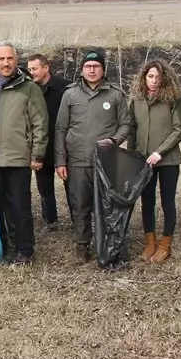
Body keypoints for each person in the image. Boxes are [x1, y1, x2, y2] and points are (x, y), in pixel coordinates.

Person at [53, 49, 133, 259]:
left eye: (96, 66)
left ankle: (109, 244)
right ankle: (82, 245)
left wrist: (115, 141)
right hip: (77, 161)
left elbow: (125, 124)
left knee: (108, 205)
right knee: (80, 205)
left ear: (103, 69)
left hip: (106, 161)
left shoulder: (115, 94)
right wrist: (60, 161)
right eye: (88, 67)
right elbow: (60, 129)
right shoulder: (70, 94)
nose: (92, 70)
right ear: (81, 70)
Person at [0, 43, 47, 264]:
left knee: (20, 207)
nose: (6, 63)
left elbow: (40, 123)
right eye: (1, 59)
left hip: (18, 158)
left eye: (10, 59)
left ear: (16, 61)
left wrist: (37, 154)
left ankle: (25, 249)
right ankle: (2, 247)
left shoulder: (28, 88)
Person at [129, 59, 181, 262]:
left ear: (165, 79)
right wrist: (133, 156)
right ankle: (150, 242)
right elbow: (132, 129)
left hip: (167, 160)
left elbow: (180, 129)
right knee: (147, 202)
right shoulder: (137, 99)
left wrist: (159, 152)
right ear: (144, 77)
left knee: (167, 202)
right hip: (144, 161)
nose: (154, 81)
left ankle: (165, 244)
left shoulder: (174, 99)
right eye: (150, 76)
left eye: (158, 77)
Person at [26, 53, 70, 231]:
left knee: (71, 185)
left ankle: (78, 218)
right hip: (41, 146)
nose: (31, 73)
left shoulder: (65, 87)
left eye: (34, 69)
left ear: (46, 68)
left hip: (63, 145)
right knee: (44, 187)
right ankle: (50, 221)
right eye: (29, 69)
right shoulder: (30, 89)